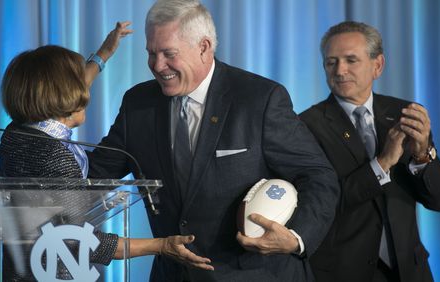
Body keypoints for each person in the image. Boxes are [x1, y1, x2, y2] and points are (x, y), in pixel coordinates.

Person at [88, 1, 339, 281]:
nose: (158, 66)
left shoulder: (259, 99)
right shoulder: (138, 104)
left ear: (204, 47)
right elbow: (92, 175)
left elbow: (318, 176)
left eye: (169, 54)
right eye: (151, 54)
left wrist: (295, 238)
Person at [0, 21, 212, 280]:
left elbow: (66, 90)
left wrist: (103, 54)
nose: (85, 92)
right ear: (65, 96)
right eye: (78, 87)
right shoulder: (57, 158)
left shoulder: (19, 133)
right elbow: (81, 241)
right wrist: (161, 246)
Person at [299, 21, 440, 282]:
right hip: (342, 274)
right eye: (331, 62)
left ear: (377, 65)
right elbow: (321, 205)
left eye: (351, 60)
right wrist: (382, 163)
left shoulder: (406, 114)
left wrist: (423, 155)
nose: (340, 70)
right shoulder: (304, 126)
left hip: (410, 272)